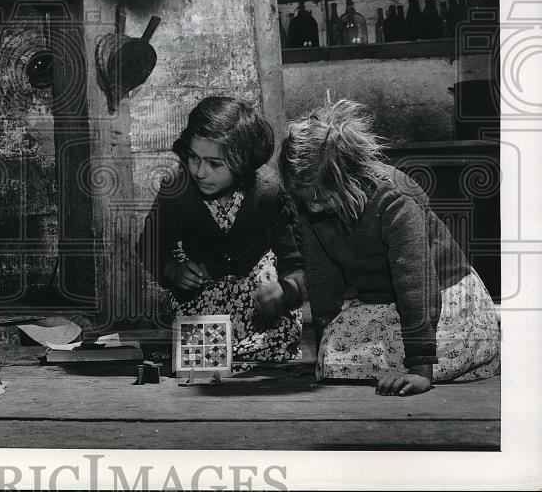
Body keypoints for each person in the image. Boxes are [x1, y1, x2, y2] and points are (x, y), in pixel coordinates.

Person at [280, 99, 500, 396]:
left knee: (445, 354)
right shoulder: (310, 205)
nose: (312, 206)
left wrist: (421, 370)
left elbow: (415, 284)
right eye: (304, 197)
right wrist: (324, 356)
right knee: (338, 359)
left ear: (350, 177)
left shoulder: (395, 197)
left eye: (321, 196)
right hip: (383, 304)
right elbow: (323, 279)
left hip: (439, 298)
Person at [137, 96, 306, 364]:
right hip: (203, 301)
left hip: (258, 304)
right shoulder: (177, 191)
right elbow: (150, 245)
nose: (200, 172)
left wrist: (285, 290)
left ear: (242, 161)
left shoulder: (269, 195)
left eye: (215, 164)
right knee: (197, 348)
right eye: (193, 157)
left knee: (281, 336)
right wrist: (174, 270)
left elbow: (295, 261)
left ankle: (229, 356)